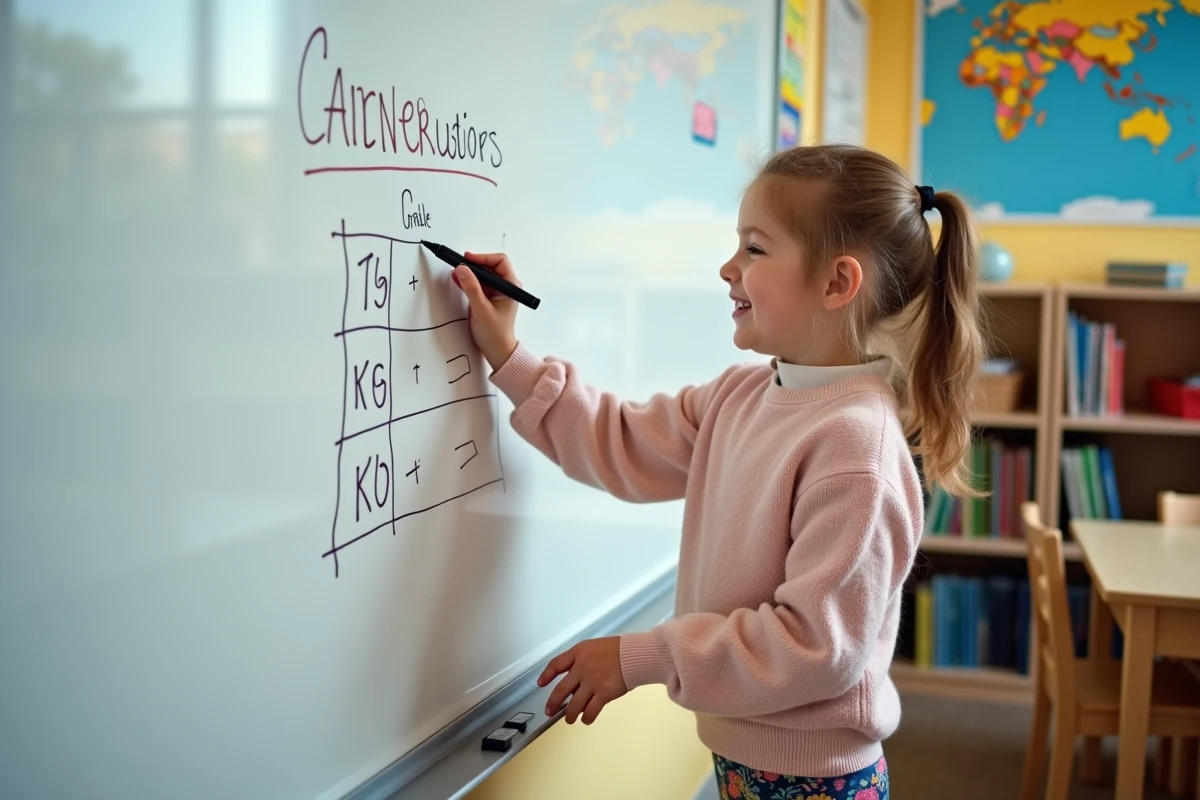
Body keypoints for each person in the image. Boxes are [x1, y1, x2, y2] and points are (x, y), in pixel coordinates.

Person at [451, 143, 983, 798]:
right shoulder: (742, 396)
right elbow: (617, 440)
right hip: (744, 758)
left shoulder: (856, 450)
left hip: (818, 779)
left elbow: (814, 645)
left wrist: (639, 658)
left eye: (755, 250)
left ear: (837, 283)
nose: (728, 267)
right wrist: (507, 352)